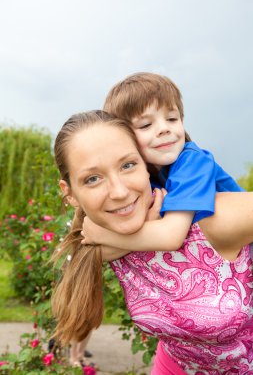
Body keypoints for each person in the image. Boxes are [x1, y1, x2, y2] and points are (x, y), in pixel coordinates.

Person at [52, 110, 253, 374]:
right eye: (92, 179)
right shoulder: (98, 238)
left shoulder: (209, 221)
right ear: (70, 195)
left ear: (146, 164)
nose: (120, 192)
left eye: (127, 165)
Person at [81, 72, 244, 253]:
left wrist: (101, 235)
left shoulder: (193, 161)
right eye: (145, 125)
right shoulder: (139, 179)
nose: (164, 129)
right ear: (123, 138)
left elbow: (171, 236)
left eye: (172, 119)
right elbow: (105, 254)